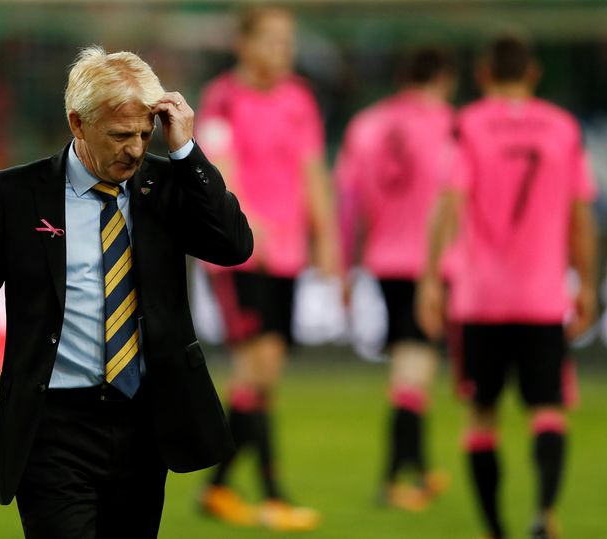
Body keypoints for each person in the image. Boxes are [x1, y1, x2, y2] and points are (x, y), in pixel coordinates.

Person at [0, 46, 253, 539]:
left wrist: (187, 151)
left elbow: (234, 246)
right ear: (77, 124)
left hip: (145, 425)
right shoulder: (16, 196)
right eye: (120, 135)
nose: (135, 149)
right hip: (52, 430)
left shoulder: (166, 184)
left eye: (145, 134)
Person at [417, 34, 597, 539]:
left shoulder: (467, 124)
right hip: (543, 299)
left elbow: (449, 205)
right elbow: (580, 217)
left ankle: (495, 529)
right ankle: (544, 513)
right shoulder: (563, 128)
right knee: (548, 409)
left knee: (481, 415)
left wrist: (430, 280)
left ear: (483, 75)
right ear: (533, 73)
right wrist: (587, 283)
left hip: (480, 299)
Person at [195, 6, 338, 532]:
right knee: (257, 367)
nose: (284, 50)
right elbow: (219, 168)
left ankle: (217, 488)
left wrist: (328, 239)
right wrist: (247, 222)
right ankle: (274, 496)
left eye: (287, 41)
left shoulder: (299, 99)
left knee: (262, 377)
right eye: (273, 40)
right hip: (239, 252)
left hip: (288, 254)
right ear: (245, 44)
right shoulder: (222, 98)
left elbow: (312, 171)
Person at [335, 46, 456, 511]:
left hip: (385, 258)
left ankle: (419, 468)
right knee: (414, 363)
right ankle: (394, 478)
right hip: (434, 262)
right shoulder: (450, 125)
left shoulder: (366, 124)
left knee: (413, 359)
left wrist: (346, 265)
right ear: (443, 78)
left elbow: (349, 202)